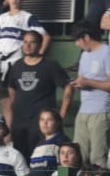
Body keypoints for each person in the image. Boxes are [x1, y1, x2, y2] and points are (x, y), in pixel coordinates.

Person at [5, 30, 69, 159]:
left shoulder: (50, 65)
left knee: (40, 159)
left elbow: (68, 86)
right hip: (19, 122)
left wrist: (61, 115)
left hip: (40, 123)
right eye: (25, 42)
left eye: (32, 42)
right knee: (20, 159)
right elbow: (11, 92)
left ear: (39, 45)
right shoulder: (16, 66)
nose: (28, 46)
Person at [67, 22, 110, 170]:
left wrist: (89, 82)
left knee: (98, 157)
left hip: (102, 110)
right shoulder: (84, 55)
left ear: (86, 37)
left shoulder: (107, 52)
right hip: (84, 110)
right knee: (78, 155)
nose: (77, 44)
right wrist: (78, 84)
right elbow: (83, 79)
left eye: (78, 40)